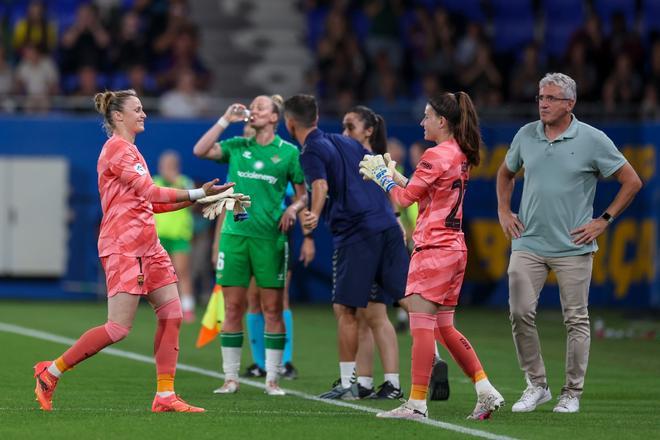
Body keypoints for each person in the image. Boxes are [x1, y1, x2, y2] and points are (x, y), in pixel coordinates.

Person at [33, 88, 234, 412]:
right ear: (117, 116)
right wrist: (198, 193)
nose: (143, 114)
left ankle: (165, 395)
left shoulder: (131, 151)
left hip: (148, 246)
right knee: (118, 328)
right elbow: (150, 190)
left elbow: (150, 202)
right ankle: (50, 370)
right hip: (123, 248)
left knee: (171, 314)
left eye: (143, 108)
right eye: (137, 109)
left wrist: (204, 198)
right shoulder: (117, 149)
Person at [496, 72, 642, 414]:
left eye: (550, 99)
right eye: (540, 98)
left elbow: (632, 181)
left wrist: (603, 221)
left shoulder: (592, 139)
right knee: (519, 312)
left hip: (573, 245)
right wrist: (504, 211)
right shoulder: (525, 135)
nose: (543, 104)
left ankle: (571, 392)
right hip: (528, 240)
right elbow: (505, 173)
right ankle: (537, 385)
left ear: (570, 104)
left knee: (576, 319)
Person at [360, 91, 504, 420]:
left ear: (442, 121)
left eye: (426, 116)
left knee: (422, 327)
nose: (422, 122)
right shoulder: (459, 153)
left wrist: (382, 177)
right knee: (445, 327)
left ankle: (416, 404)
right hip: (455, 248)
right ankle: (484, 389)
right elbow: (426, 191)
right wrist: (393, 175)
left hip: (434, 249)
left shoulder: (435, 154)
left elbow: (404, 200)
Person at [282, 95, 409, 400]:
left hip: (358, 235)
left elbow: (321, 187)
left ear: (289, 123)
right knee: (394, 307)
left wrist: (310, 219)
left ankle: (347, 383)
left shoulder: (312, 149)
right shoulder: (353, 146)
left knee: (345, 309)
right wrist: (394, 218)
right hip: (387, 229)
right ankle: (403, 374)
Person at [193, 95, 307, 396]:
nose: (253, 110)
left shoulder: (288, 153)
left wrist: (293, 209)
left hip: (270, 240)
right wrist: (223, 120)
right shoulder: (237, 146)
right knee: (232, 308)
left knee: (272, 309)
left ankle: (272, 379)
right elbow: (200, 149)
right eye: (252, 106)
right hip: (235, 238)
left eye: (261, 107)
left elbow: (303, 193)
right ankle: (230, 379)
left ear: (274, 118)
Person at [340, 105, 406, 399]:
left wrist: (396, 222)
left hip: (376, 242)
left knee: (383, 313)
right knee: (367, 313)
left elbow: (394, 200)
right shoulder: (353, 159)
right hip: (365, 240)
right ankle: (366, 383)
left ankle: (395, 382)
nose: (344, 134)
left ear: (368, 131)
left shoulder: (376, 162)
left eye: (350, 127)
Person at [153, 150, 196, 322]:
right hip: (158, 236)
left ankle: (188, 308)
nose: (166, 168)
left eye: (170, 165)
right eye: (164, 165)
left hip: (179, 235)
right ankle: (165, 307)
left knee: (182, 272)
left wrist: (174, 181)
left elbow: (193, 204)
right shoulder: (154, 182)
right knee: (161, 275)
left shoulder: (185, 182)